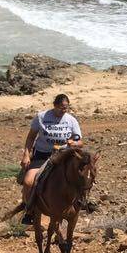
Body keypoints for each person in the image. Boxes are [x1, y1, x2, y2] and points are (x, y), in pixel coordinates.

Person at [20, 93, 84, 222]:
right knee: (28, 181)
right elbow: (31, 137)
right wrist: (26, 155)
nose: (63, 110)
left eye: (65, 108)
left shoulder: (71, 120)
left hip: (64, 157)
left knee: (83, 175)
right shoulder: (41, 117)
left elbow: (80, 141)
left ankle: (82, 201)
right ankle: (29, 209)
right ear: (54, 105)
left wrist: (74, 143)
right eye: (61, 107)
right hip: (43, 156)